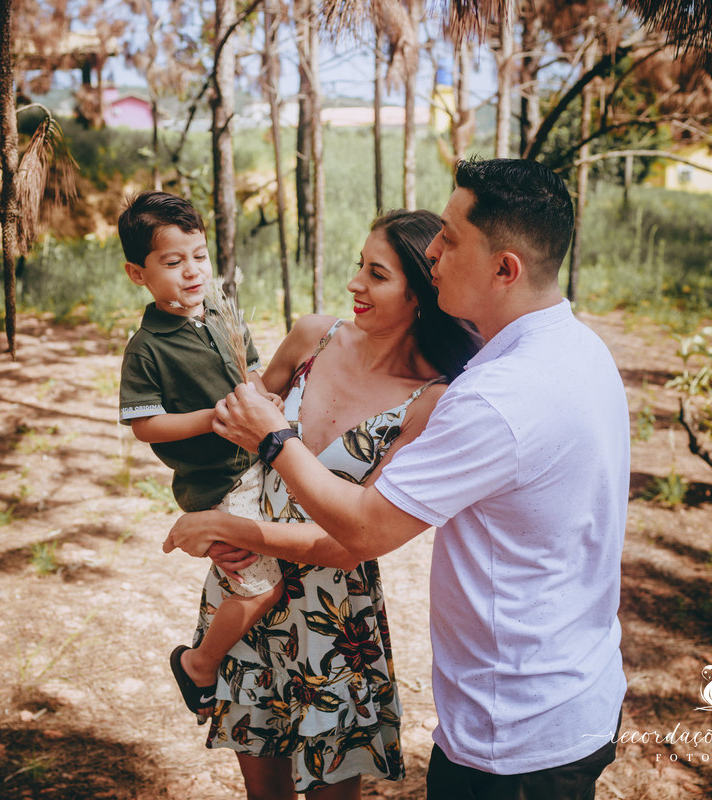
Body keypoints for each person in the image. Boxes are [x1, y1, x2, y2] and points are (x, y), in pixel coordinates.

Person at [167, 159, 630, 800]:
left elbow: (363, 530)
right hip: (560, 697)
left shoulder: (492, 397)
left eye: (451, 238)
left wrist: (272, 442)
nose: (435, 251)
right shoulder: (575, 350)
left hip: (515, 732)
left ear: (505, 268)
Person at [166, 209, 481, 799]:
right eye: (359, 266)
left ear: (422, 292)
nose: (354, 284)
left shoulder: (430, 401)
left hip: (332, 621)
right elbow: (239, 421)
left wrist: (233, 527)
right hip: (248, 588)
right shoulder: (313, 336)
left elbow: (350, 542)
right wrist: (214, 496)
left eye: (377, 274)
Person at [116, 190, 285, 717]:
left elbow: (248, 368)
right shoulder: (147, 347)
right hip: (218, 483)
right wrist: (216, 416)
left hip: (261, 461)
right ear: (137, 273)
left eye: (199, 256)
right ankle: (200, 664)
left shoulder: (219, 310)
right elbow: (146, 425)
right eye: (172, 262)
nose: (192, 272)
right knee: (260, 589)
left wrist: (261, 396)